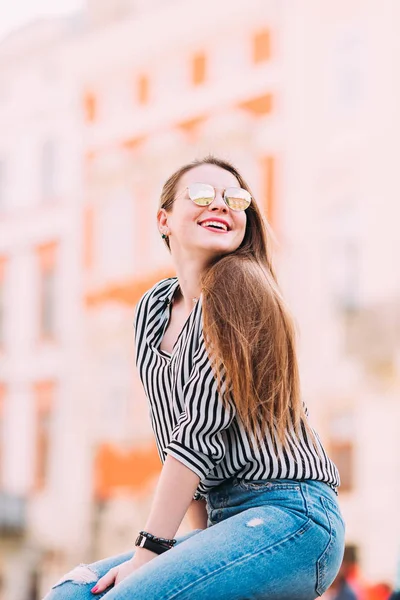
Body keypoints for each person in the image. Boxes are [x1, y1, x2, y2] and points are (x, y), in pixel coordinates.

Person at [43, 156, 346, 600]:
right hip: (231, 522)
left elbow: (197, 437)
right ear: (164, 219)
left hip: (293, 515)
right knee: (69, 594)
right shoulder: (153, 309)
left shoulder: (239, 287)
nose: (222, 205)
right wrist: (196, 551)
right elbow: (173, 437)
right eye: (203, 195)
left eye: (235, 199)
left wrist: (149, 553)